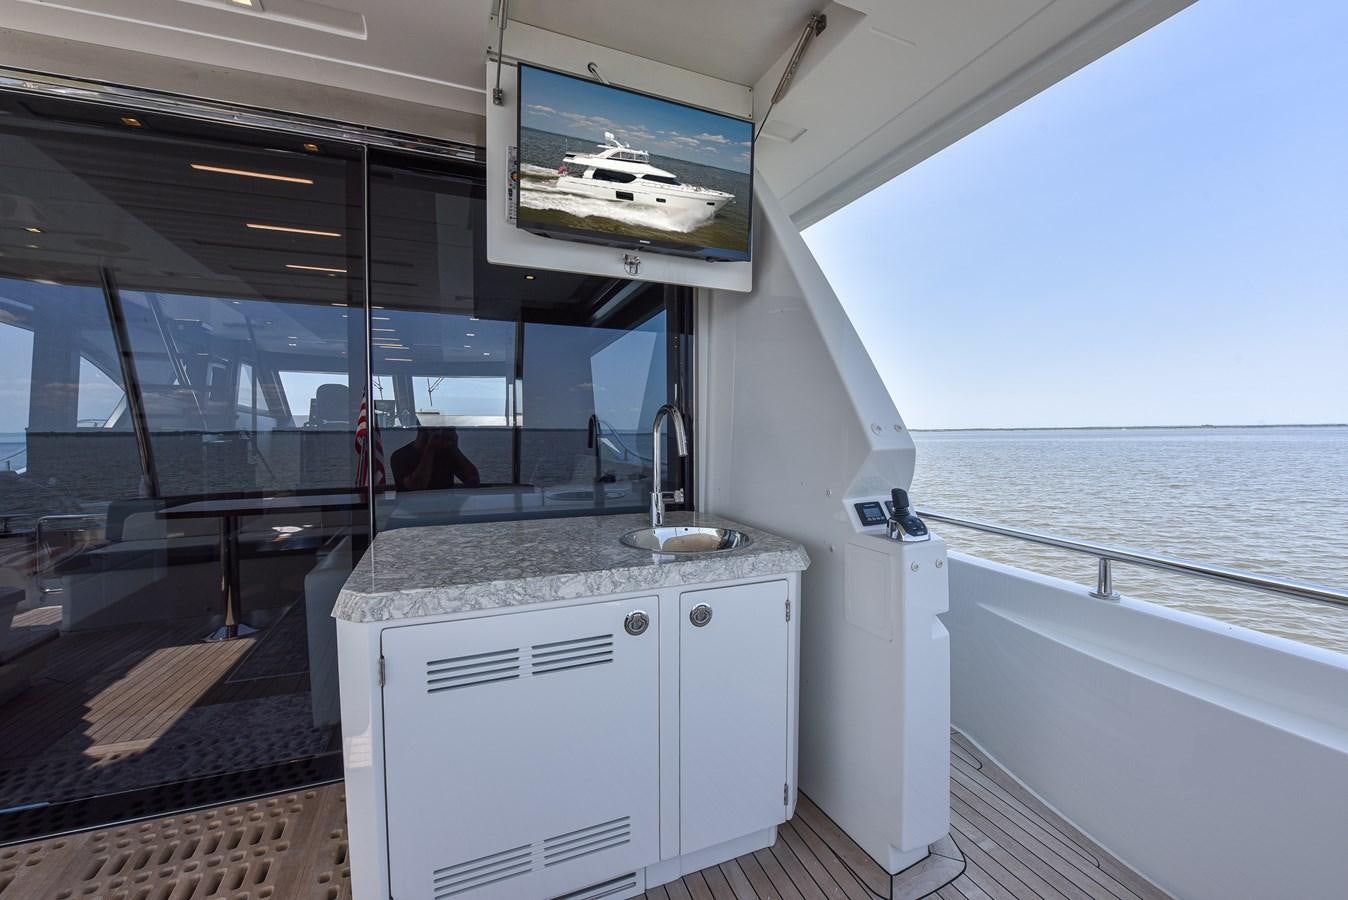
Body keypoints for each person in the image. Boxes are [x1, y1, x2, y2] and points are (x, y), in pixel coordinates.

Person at [390, 426, 481, 491]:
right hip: (412, 513)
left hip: (443, 512)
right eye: (435, 428)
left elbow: (473, 479)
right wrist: (430, 448)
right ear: (422, 430)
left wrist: (454, 448)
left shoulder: (446, 454)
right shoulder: (399, 456)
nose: (441, 433)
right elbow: (417, 486)